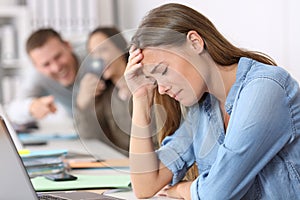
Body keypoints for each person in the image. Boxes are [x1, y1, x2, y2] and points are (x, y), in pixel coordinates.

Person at [125, 3, 300, 200]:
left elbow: (217, 193)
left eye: (163, 71)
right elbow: (145, 185)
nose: (162, 89)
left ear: (195, 42)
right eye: (155, 81)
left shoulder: (266, 87)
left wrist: (182, 190)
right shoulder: (203, 109)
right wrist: (140, 97)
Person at [74, 27, 132, 155]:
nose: (98, 59)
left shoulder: (148, 83)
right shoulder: (105, 92)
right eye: (93, 54)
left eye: (103, 50)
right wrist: (82, 105)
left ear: (122, 49)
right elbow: (88, 136)